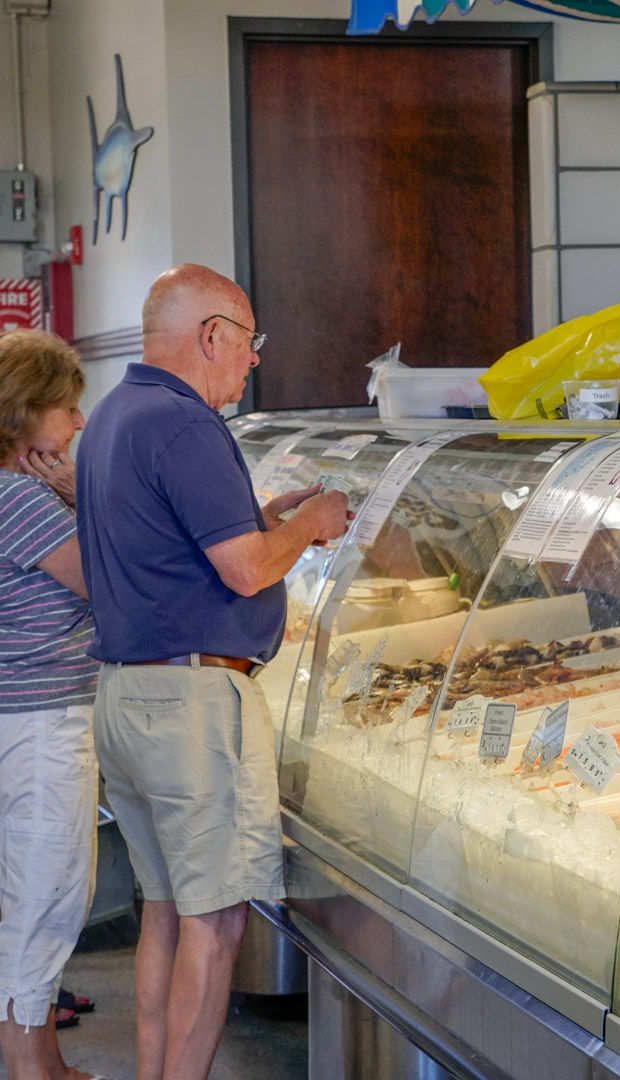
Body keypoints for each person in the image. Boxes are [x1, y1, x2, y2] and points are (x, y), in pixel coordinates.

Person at [76, 264, 350, 1080]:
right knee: (218, 920)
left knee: (164, 910)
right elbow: (240, 572)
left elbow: (166, 546)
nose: (253, 360)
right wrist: (307, 527)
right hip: (190, 705)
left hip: (128, 694)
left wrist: (264, 520)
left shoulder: (114, 415)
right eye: (249, 340)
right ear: (210, 336)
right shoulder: (183, 422)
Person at [0, 329, 104, 1080]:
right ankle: (29, 1065)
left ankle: (38, 1055)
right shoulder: (21, 498)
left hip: (27, 716)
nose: (75, 424)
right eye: (66, 409)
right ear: (24, 413)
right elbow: (113, 585)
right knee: (48, 893)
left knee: (36, 893)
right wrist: (79, 493)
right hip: (40, 722)